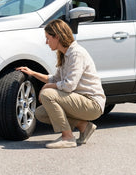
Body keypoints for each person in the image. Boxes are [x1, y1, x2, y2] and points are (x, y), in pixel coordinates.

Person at [17, 19, 106, 149]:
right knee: (41, 113)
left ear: (57, 36)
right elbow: (55, 79)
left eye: (48, 38)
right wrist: (33, 73)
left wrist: (46, 88)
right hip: (79, 101)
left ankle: (68, 137)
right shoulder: (65, 55)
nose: (46, 42)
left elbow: (69, 86)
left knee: (48, 94)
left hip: (92, 104)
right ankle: (84, 126)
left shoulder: (76, 53)